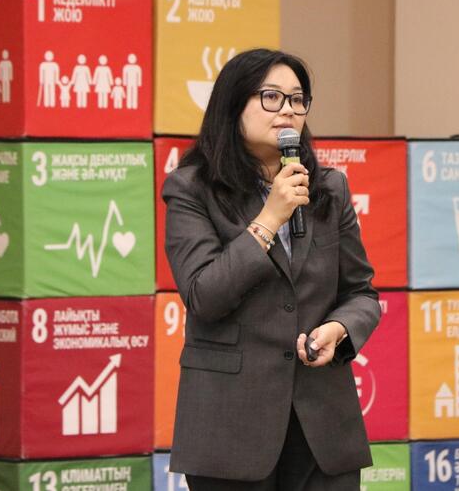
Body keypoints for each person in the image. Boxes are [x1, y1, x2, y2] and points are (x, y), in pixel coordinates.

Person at [162, 48, 380, 490]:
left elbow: (362, 293)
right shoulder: (191, 189)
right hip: (230, 427)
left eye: (298, 99)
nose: (288, 110)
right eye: (271, 97)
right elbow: (204, 295)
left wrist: (339, 329)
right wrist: (269, 219)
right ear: (232, 105)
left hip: (322, 426)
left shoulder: (329, 188)